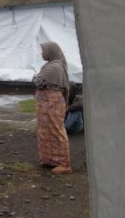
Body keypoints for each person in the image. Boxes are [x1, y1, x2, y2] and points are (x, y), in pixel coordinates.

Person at [32, 42, 72, 174]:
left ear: (51, 52)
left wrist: (35, 77)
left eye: (43, 51)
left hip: (52, 103)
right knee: (45, 130)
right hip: (46, 104)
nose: (41, 53)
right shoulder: (50, 65)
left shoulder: (55, 67)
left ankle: (64, 164)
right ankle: (50, 159)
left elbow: (38, 80)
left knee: (55, 130)